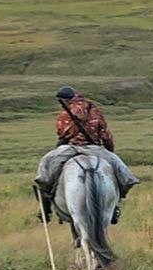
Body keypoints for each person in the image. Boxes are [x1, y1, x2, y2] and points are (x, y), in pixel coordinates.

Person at [33, 86, 139, 223]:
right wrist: (109, 150)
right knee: (124, 175)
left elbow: (63, 134)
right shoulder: (94, 110)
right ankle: (115, 203)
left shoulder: (64, 115)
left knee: (45, 166)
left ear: (64, 101)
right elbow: (105, 133)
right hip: (95, 148)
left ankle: (45, 207)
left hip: (71, 148)